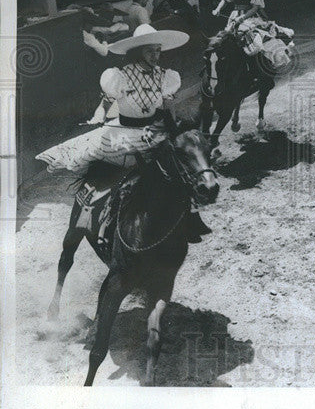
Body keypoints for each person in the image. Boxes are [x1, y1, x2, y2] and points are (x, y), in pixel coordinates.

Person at [35, 24, 210, 245]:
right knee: (119, 174)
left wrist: (171, 123)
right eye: (150, 51)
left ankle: (190, 216)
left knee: (180, 169)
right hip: (125, 133)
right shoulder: (120, 76)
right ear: (137, 51)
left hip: (153, 130)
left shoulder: (166, 77)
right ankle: (104, 218)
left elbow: (166, 110)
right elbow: (106, 101)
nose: (155, 56)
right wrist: (99, 116)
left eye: (158, 50)